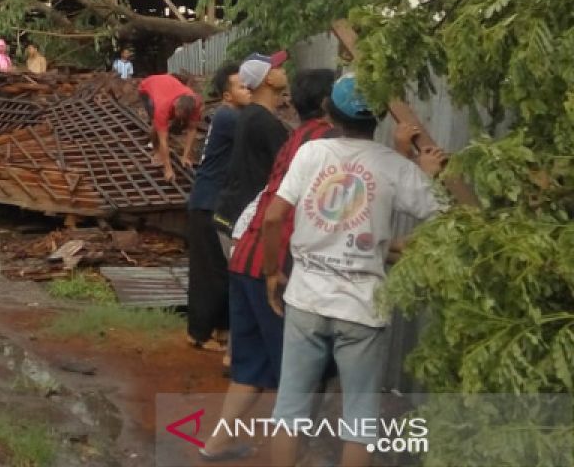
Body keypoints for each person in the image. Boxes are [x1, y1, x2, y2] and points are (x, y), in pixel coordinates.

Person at [264, 75, 446, 467]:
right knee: (359, 421)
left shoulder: (311, 154)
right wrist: (422, 170)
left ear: (329, 112)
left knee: (289, 412)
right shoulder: (395, 167)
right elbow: (442, 216)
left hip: (306, 299)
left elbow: (273, 217)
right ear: (379, 116)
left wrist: (270, 273)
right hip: (363, 307)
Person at [197, 68, 336, 461]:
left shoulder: (295, 136)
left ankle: (217, 443)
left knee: (251, 368)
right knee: (304, 373)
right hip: (273, 265)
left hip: (246, 257)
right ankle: (300, 454)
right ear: (330, 104)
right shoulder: (328, 144)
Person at [184, 63, 251, 352]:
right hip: (207, 203)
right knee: (210, 273)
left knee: (224, 269)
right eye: (242, 87)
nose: (248, 91)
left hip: (217, 202)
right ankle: (198, 334)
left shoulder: (232, 116)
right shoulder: (228, 118)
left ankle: (222, 330)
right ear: (226, 95)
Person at [212, 52, 291, 239]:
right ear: (267, 79)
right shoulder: (265, 123)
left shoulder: (250, 116)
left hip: (234, 214)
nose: (284, 71)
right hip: (248, 223)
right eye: (277, 68)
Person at [137, 71, 203, 181]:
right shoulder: (162, 107)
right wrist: (168, 169)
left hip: (167, 85)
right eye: (178, 115)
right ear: (176, 105)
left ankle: (165, 151)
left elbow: (192, 129)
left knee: (172, 123)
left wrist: (186, 156)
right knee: (156, 126)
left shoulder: (195, 103)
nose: (179, 117)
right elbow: (164, 140)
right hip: (147, 87)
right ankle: (156, 151)